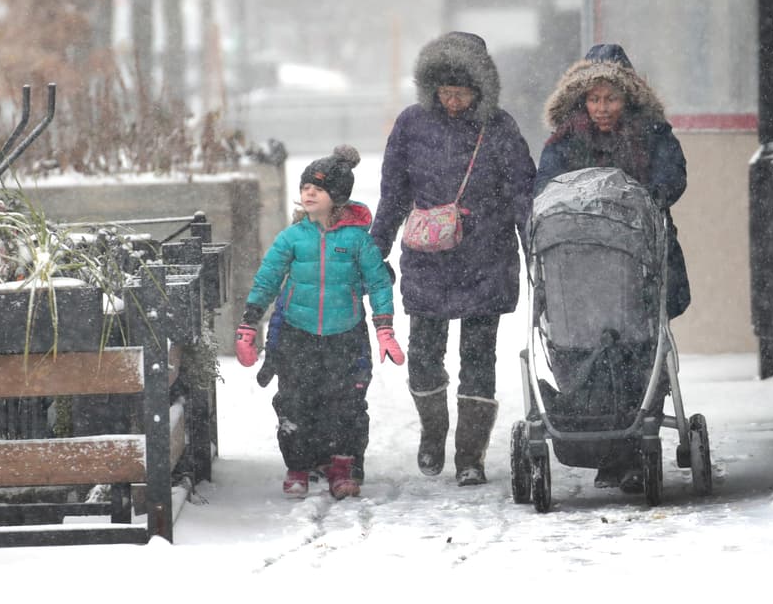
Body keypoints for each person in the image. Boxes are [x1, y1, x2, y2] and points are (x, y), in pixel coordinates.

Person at [371, 31, 537, 486]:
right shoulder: (410, 124)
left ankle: (470, 456)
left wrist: (533, 250)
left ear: (480, 88)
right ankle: (434, 431)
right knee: (424, 355)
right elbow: (393, 195)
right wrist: (374, 250)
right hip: (429, 259)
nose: (452, 100)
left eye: (461, 91)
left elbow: (523, 192)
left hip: (487, 256)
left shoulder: (499, 127)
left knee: (478, 359)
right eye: (444, 91)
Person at [535, 42, 690, 492]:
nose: (602, 108)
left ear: (629, 98)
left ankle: (630, 448)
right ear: (581, 100)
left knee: (641, 349)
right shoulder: (565, 142)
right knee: (583, 349)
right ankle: (603, 443)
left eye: (612, 98)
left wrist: (650, 196)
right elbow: (547, 188)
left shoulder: (653, 135)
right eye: (594, 99)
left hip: (638, 264)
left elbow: (671, 176)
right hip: (579, 272)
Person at [234, 145, 401, 500]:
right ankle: (298, 466)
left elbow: (379, 282)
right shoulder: (292, 238)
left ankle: (342, 467)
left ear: (337, 197)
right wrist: (249, 323)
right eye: (305, 186)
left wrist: (384, 327)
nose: (308, 193)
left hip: (345, 334)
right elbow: (267, 278)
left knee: (346, 403)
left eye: (318, 188)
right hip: (299, 334)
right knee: (295, 401)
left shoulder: (357, 240)